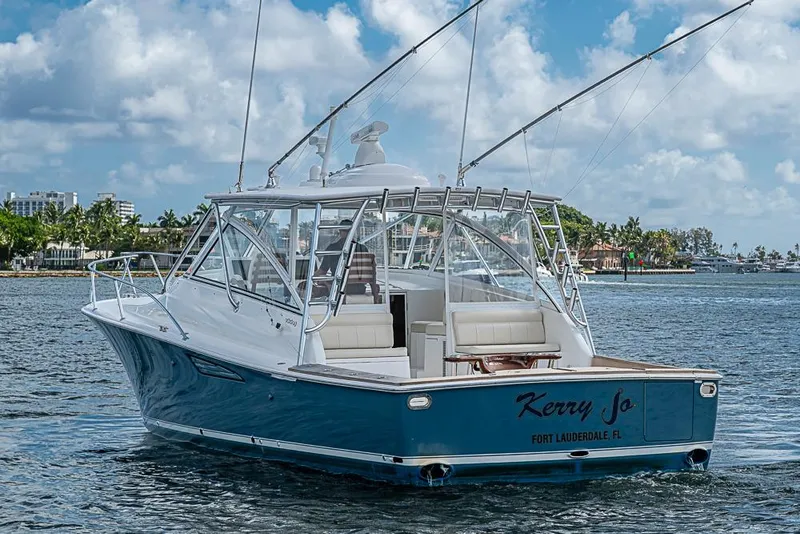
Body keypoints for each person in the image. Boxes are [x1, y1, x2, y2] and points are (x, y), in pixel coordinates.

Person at [315, 219, 370, 295]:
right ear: (353, 232)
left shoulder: (332, 248)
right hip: (359, 289)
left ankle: (331, 291)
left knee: (322, 278)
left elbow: (322, 270)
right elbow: (368, 272)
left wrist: (311, 278)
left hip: (339, 287)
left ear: (340, 231)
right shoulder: (363, 248)